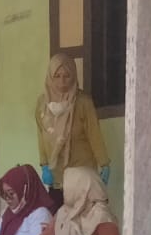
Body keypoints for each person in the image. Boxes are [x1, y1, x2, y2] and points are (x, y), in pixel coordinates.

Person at [35, 53, 110, 192]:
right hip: (55, 175)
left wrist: (104, 163)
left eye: (66, 76)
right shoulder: (42, 104)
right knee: (59, 213)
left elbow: (95, 135)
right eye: (57, 76)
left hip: (81, 175)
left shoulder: (83, 102)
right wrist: (44, 165)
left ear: (74, 76)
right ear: (50, 77)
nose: (62, 81)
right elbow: (41, 135)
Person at [51, 167, 120, 235]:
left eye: (67, 185)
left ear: (80, 188)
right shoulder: (65, 212)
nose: (63, 189)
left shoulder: (101, 216)